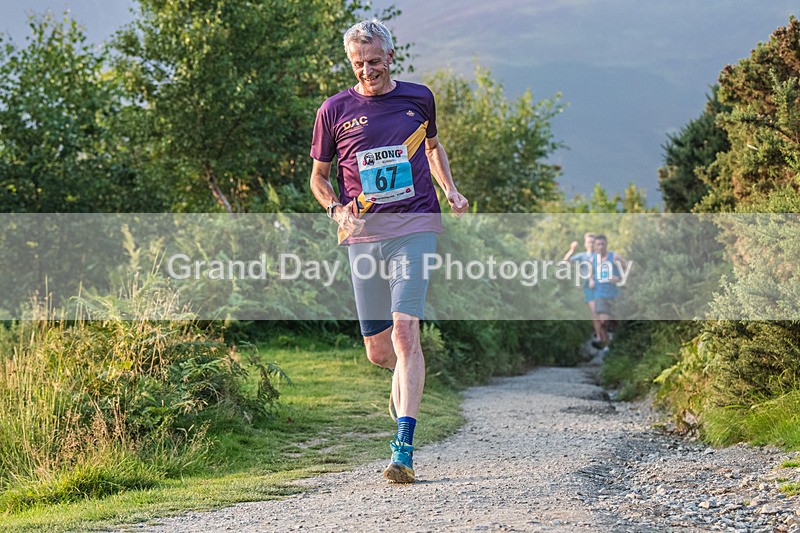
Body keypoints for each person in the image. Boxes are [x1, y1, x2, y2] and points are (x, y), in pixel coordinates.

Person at [309, 19, 468, 484]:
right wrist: (336, 210)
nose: (366, 72)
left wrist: (451, 190)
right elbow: (318, 178)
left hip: (416, 224)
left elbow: (433, 149)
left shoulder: (418, 98)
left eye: (374, 62)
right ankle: (404, 384)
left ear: (391, 57)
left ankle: (404, 448)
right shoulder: (333, 110)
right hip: (362, 234)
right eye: (358, 64)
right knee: (381, 353)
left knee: (404, 333)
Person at [588, 234, 628, 355]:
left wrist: (619, 278)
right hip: (600, 294)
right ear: (595, 246)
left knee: (615, 321)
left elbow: (627, 267)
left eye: (602, 244)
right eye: (598, 244)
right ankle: (607, 346)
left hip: (614, 294)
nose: (600, 247)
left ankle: (614, 343)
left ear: (606, 245)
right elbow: (590, 273)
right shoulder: (592, 260)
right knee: (604, 321)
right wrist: (591, 280)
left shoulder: (614, 256)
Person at [562, 233, 600, 343]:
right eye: (589, 242)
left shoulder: (600, 256)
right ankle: (599, 336)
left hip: (601, 287)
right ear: (585, 243)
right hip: (588, 287)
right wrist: (571, 250)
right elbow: (565, 262)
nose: (591, 244)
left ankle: (605, 334)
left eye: (593, 242)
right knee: (595, 312)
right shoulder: (582, 256)